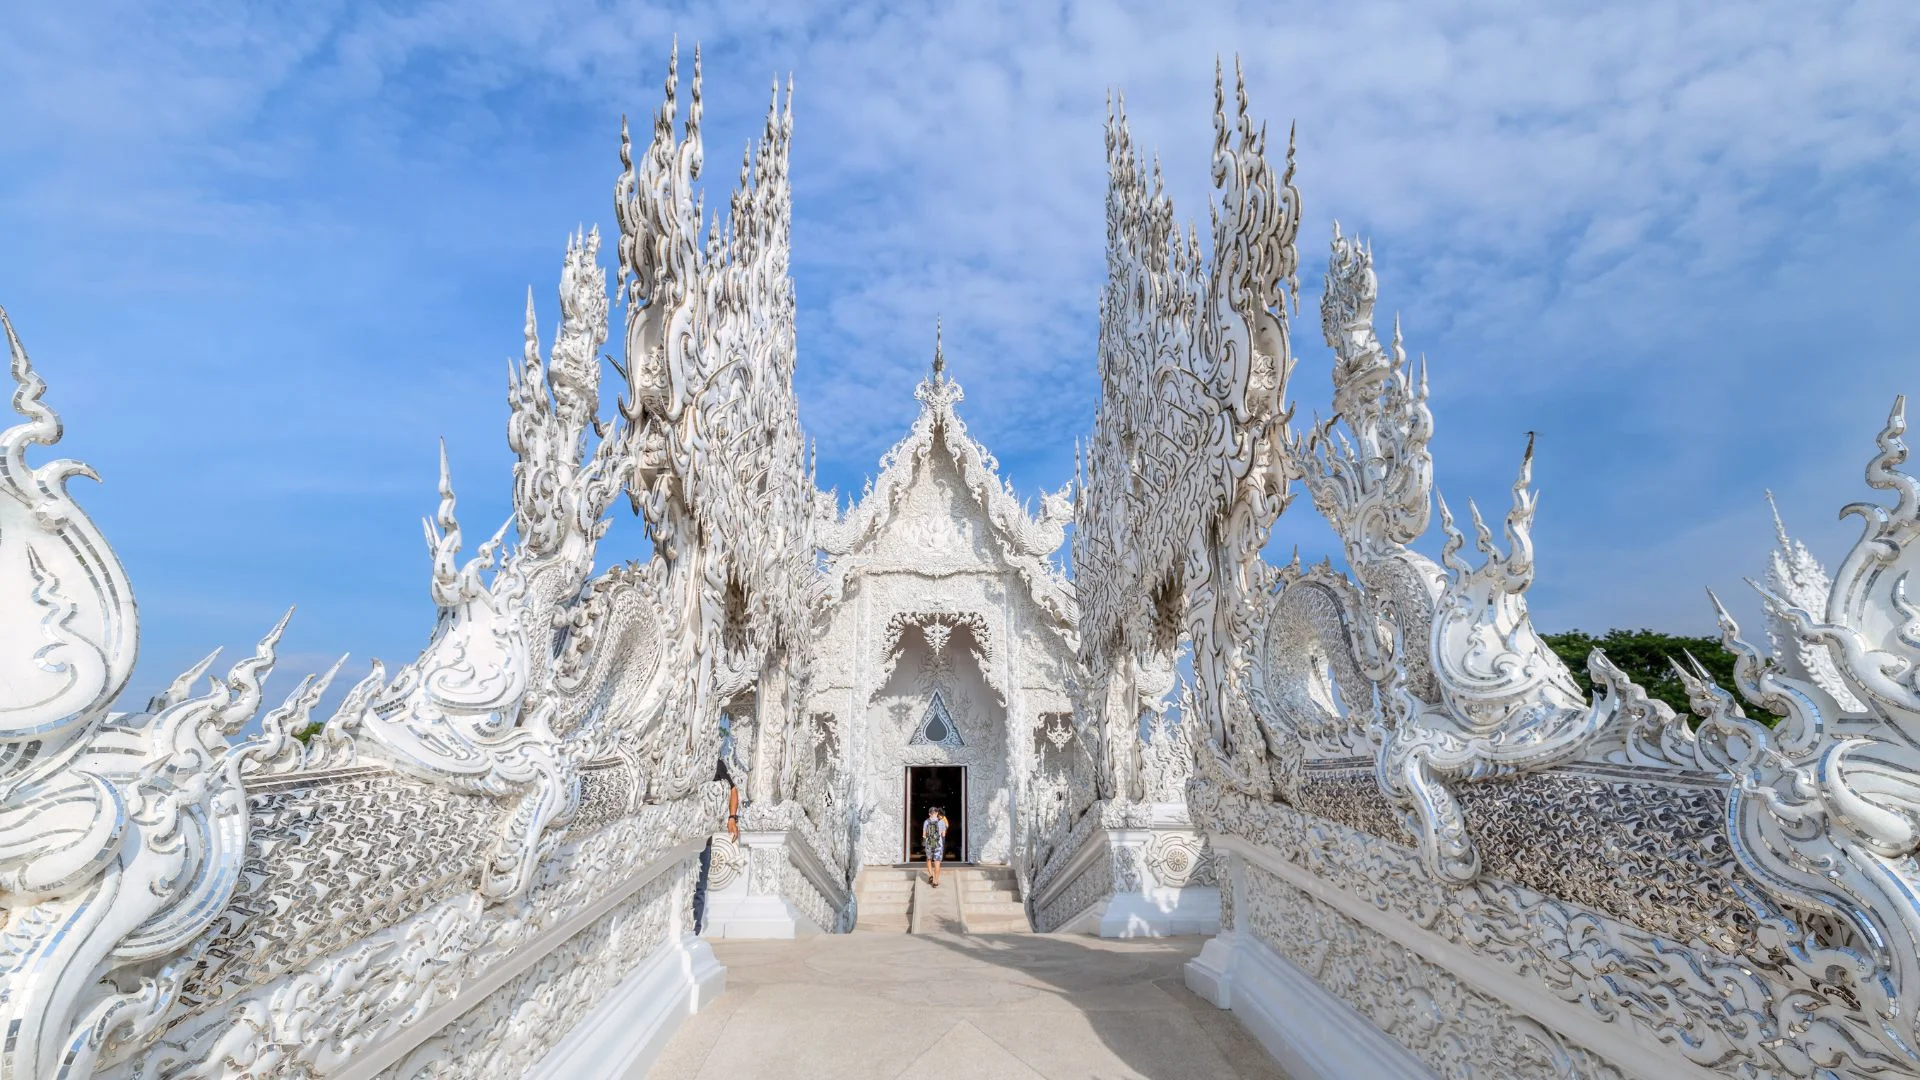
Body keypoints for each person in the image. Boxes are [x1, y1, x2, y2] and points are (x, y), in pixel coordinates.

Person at [923, 806, 948, 887]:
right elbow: (943, 835)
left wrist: (925, 841)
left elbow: (924, 834)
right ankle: (936, 881)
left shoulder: (926, 822)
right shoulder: (942, 822)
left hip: (929, 844)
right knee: (937, 862)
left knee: (929, 859)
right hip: (938, 845)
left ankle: (931, 875)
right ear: (937, 813)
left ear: (929, 813)